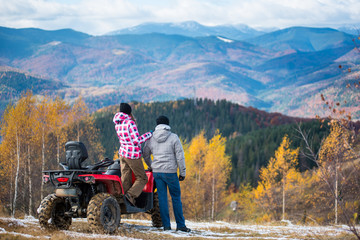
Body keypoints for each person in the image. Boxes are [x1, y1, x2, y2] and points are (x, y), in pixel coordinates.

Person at [143, 115, 191, 232]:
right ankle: (180, 225)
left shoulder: (151, 138)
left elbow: (145, 154)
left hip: (157, 173)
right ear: (167, 125)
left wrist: (151, 166)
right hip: (170, 172)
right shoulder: (173, 137)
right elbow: (180, 156)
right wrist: (182, 172)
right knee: (175, 198)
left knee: (162, 199)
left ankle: (166, 226)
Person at [113, 102, 152, 206]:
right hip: (132, 154)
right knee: (142, 178)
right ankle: (131, 195)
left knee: (125, 177)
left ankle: (123, 198)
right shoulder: (130, 123)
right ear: (129, 112)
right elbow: (136, 141)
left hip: (122, 153)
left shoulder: (117, 123)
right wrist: (149, 134)